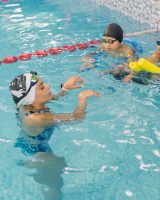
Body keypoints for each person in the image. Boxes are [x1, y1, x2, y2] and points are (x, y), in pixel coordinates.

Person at [9, 71, 100, 200]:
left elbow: (55, 98)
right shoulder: (36, 118)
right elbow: (76, 117)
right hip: (37, 152)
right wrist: (82, 99)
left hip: (31, 142)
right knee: (55, 183)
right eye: (42, 87)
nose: (48, 86)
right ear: (30, 98)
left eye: (44, 83)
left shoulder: (31, 104)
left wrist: (65, 88)